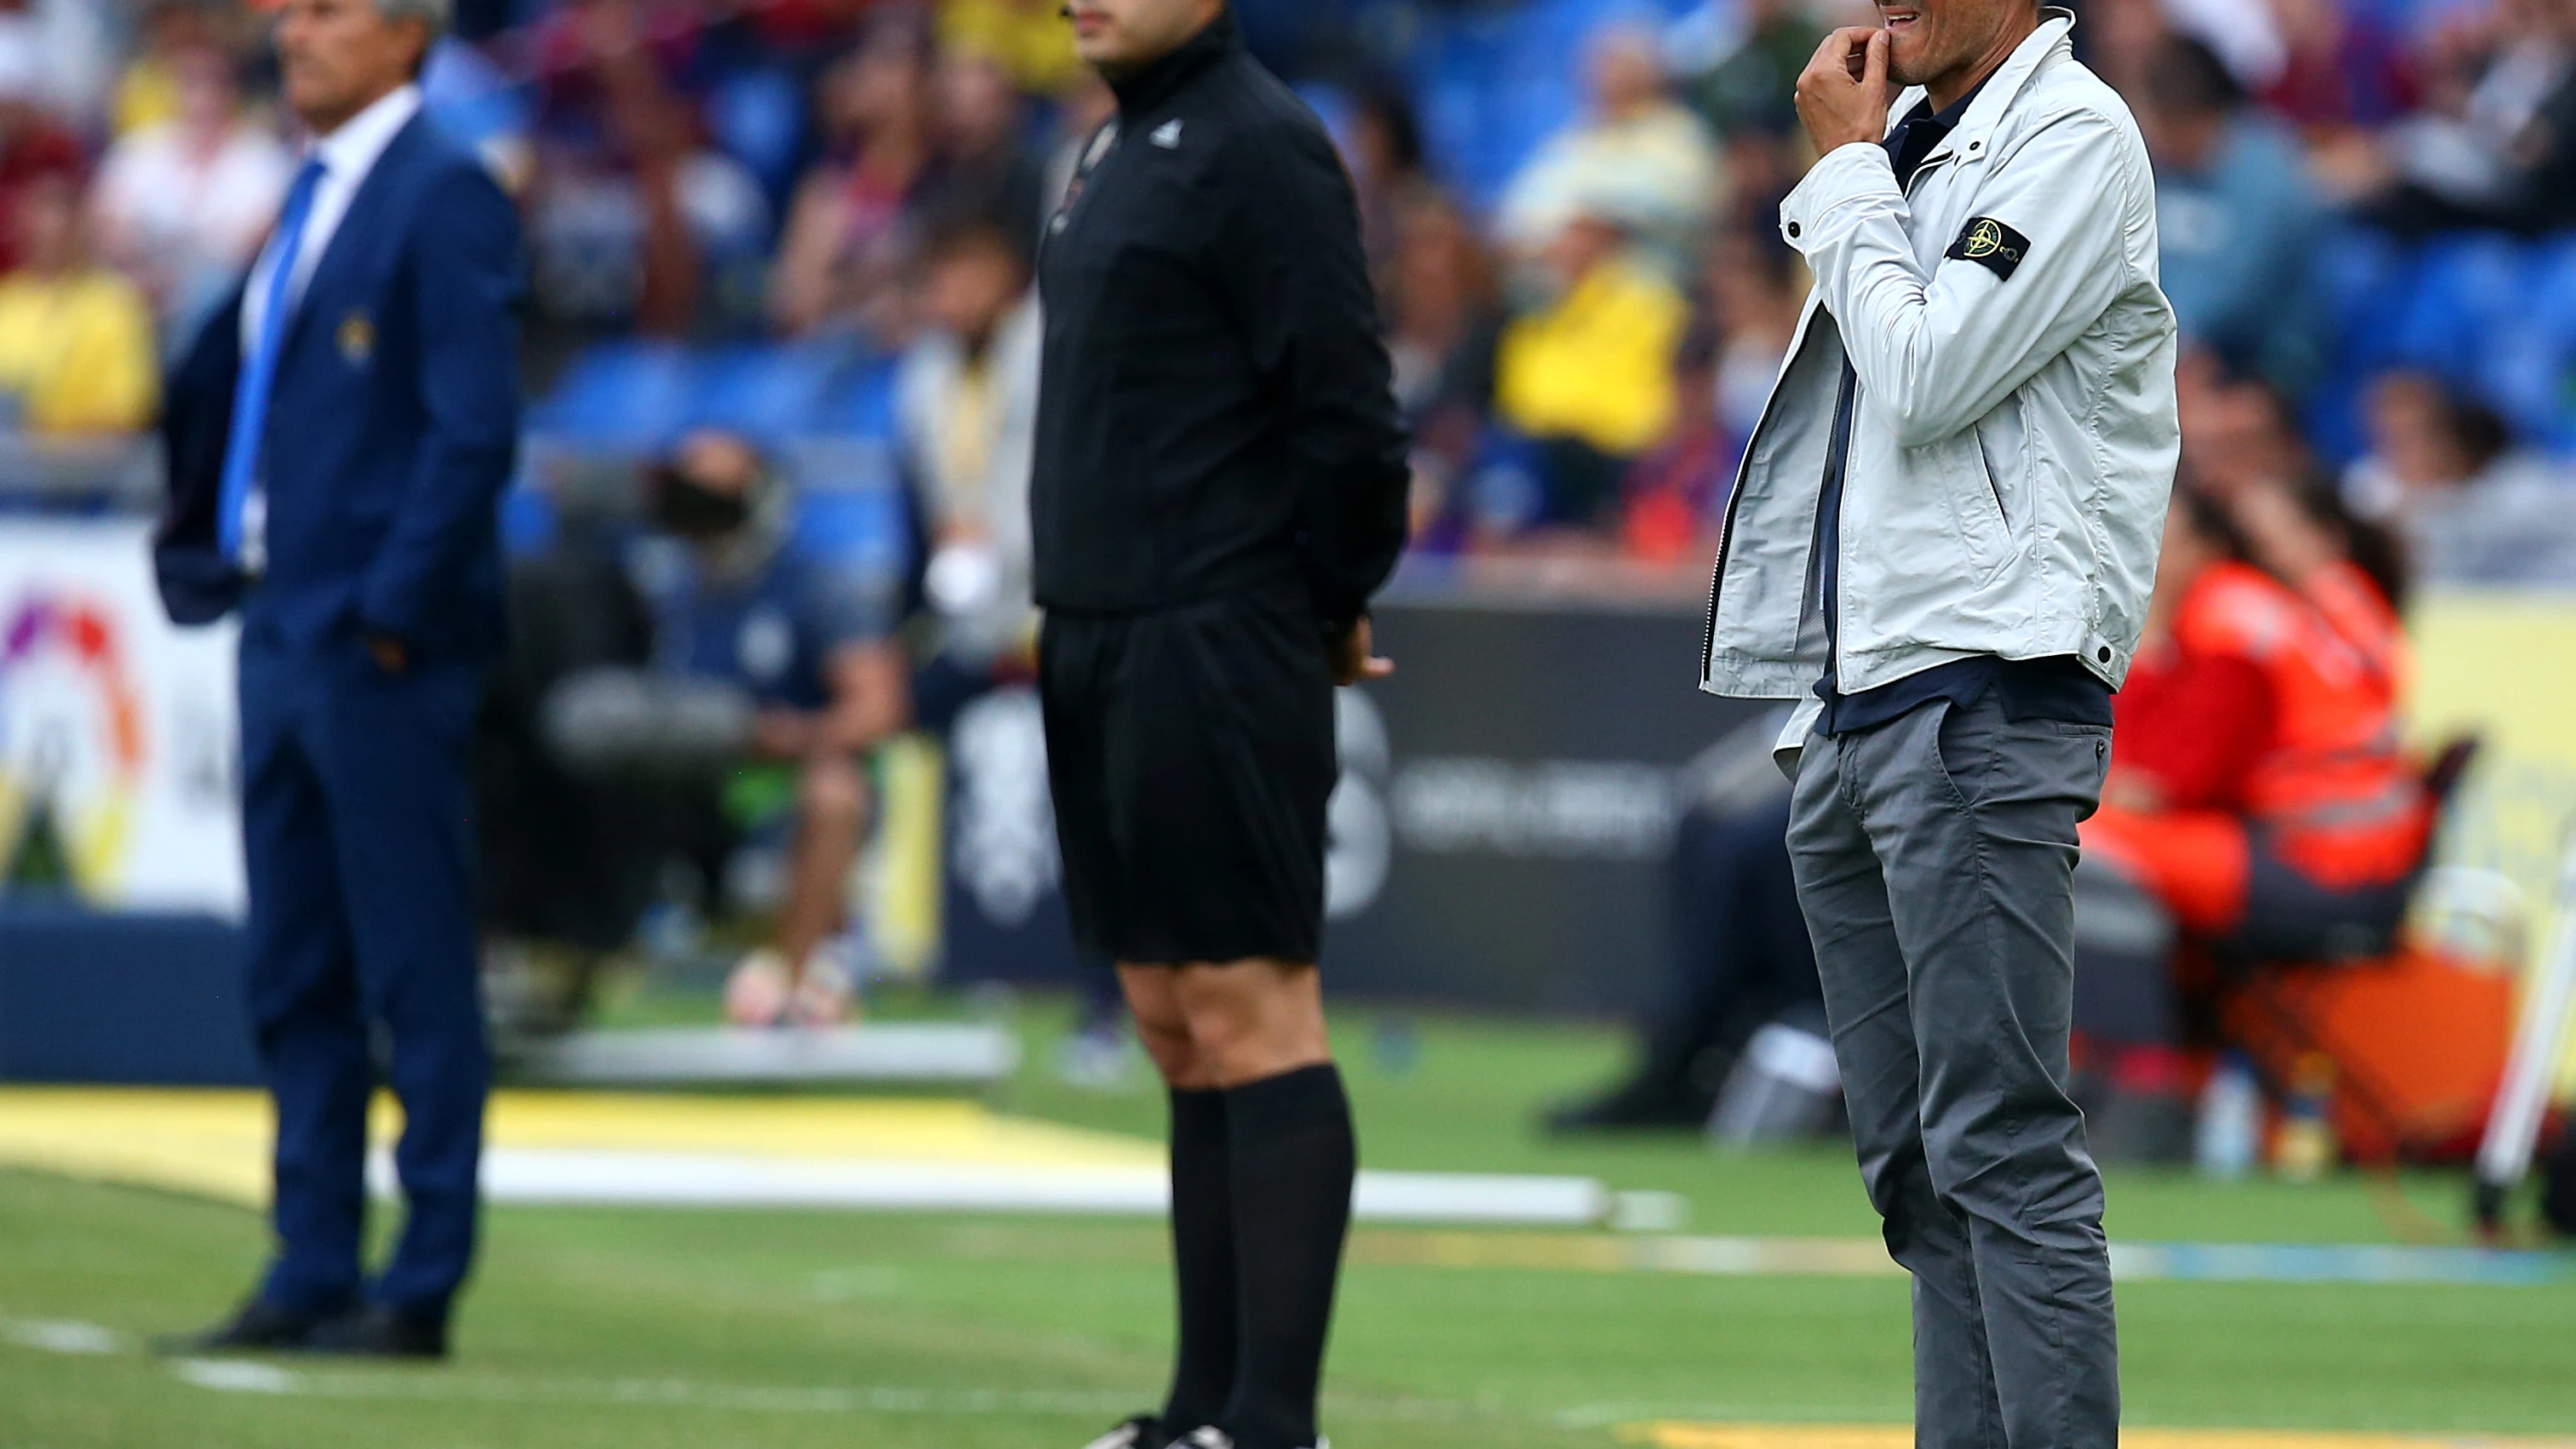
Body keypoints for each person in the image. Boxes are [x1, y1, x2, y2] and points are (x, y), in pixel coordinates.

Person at [1699, 5, 2177, 1447]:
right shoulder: (1920, 141)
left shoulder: (2068, 136)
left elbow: (1924, 371)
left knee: (1999, 1149)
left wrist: (1840, 175)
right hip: (1862, 698)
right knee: (1914, 1168)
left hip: (1981, 687)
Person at [1035, 3, 1409, 1447]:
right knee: (1171, 1021)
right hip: (1096, 625)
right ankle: (1198, 1406)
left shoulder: (1257, 141)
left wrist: (1326, 602)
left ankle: (1271, 1423)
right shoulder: (1113, 141)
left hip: (1213, 627)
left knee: (1252, 1011)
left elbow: (1345, 408)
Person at [150, 0, 522, 1360]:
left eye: (325, 9)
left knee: (411, 964)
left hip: (375, 647)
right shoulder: (305, 196)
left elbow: (473, 427)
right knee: (295, 967)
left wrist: (388, 613)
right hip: (279, 627)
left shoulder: (446, 194)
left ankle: (419, 1275)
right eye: (286, 9)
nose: (290, 31)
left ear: (409, 33)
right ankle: (307, 1257)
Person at [2071, 480, 2432, 1159]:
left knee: (2077, 843)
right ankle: (2134, 1073)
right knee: (2085, 843)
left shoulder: (2226, 617)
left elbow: (2187, 777)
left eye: (2156, 524)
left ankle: (2142, 1076)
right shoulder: (2261, 608)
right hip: (2331, 847)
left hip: (2320, 858)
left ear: (2203, 545)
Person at [624, 431, 910, 1027]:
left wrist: (790, 737)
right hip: (689, 785)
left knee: (835, 792)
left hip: (779, 783)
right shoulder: (674, 593)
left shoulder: (811, 587)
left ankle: (796, 976)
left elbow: (879, 707)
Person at [0, 167, 158, 434]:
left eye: (59, 226)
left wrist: (43, 429)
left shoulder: (114, 304)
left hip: (81, 468)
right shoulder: (8, 298)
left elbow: (128, 410)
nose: (47, 239)